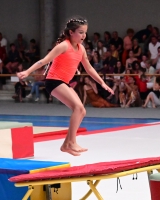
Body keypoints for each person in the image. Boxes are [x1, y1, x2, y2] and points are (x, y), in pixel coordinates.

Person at [17, 16, 113, 156]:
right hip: (53, 81)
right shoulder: (63, 46)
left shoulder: (81, 49)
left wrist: (102, 83)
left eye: (85, 32)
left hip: (63, 82)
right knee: (78, 107)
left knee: (82, 111)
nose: (83, 36)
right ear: (71, 33)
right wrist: (27, 71)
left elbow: (89, 69)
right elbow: (44, 61)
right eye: (80, 32)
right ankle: (71, 142)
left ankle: (66, 144)